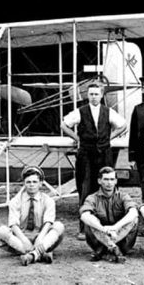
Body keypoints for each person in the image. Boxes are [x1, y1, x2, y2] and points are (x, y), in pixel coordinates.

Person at [61, 83, 127, 240]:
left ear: (101, 95)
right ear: (87, 95)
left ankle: (108, 224)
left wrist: (108, 138)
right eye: (91, 94)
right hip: (86, 155)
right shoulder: (80, 111)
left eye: (96, 94)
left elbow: (123, 125)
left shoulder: (108, 111)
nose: (94, 97)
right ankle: (84, 228)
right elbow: (64, 125)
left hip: (104, 154)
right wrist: (77, 138)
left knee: (108, 186)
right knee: (85, 188)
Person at [0, 166, 65, 265]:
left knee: (59, 226)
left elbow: (48, 222)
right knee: (2, 231)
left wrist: (40, 238)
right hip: (21, 238)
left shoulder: (48, 200)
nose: (31, 185)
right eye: (28, 182)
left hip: (42, 238)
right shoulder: (16, 201)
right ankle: (40, 253)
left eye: (34, 182)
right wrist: (24, 240)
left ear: (40, 183)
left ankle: (32, 256)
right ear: (24, 184)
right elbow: (13, 224)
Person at [80, 166, 139, 263]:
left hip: (122, 242)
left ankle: (107, 247)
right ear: (99, 181)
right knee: (89, 219)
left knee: (134, 218)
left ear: (116, 181)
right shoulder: (92, 198)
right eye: (106, 179)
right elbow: (84, 215)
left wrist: (115, 227)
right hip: (98, 241)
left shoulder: (123, 196)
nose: (109, 183)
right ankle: (113, 248)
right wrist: (104, 229)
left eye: (112, 179)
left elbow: (133, 212)